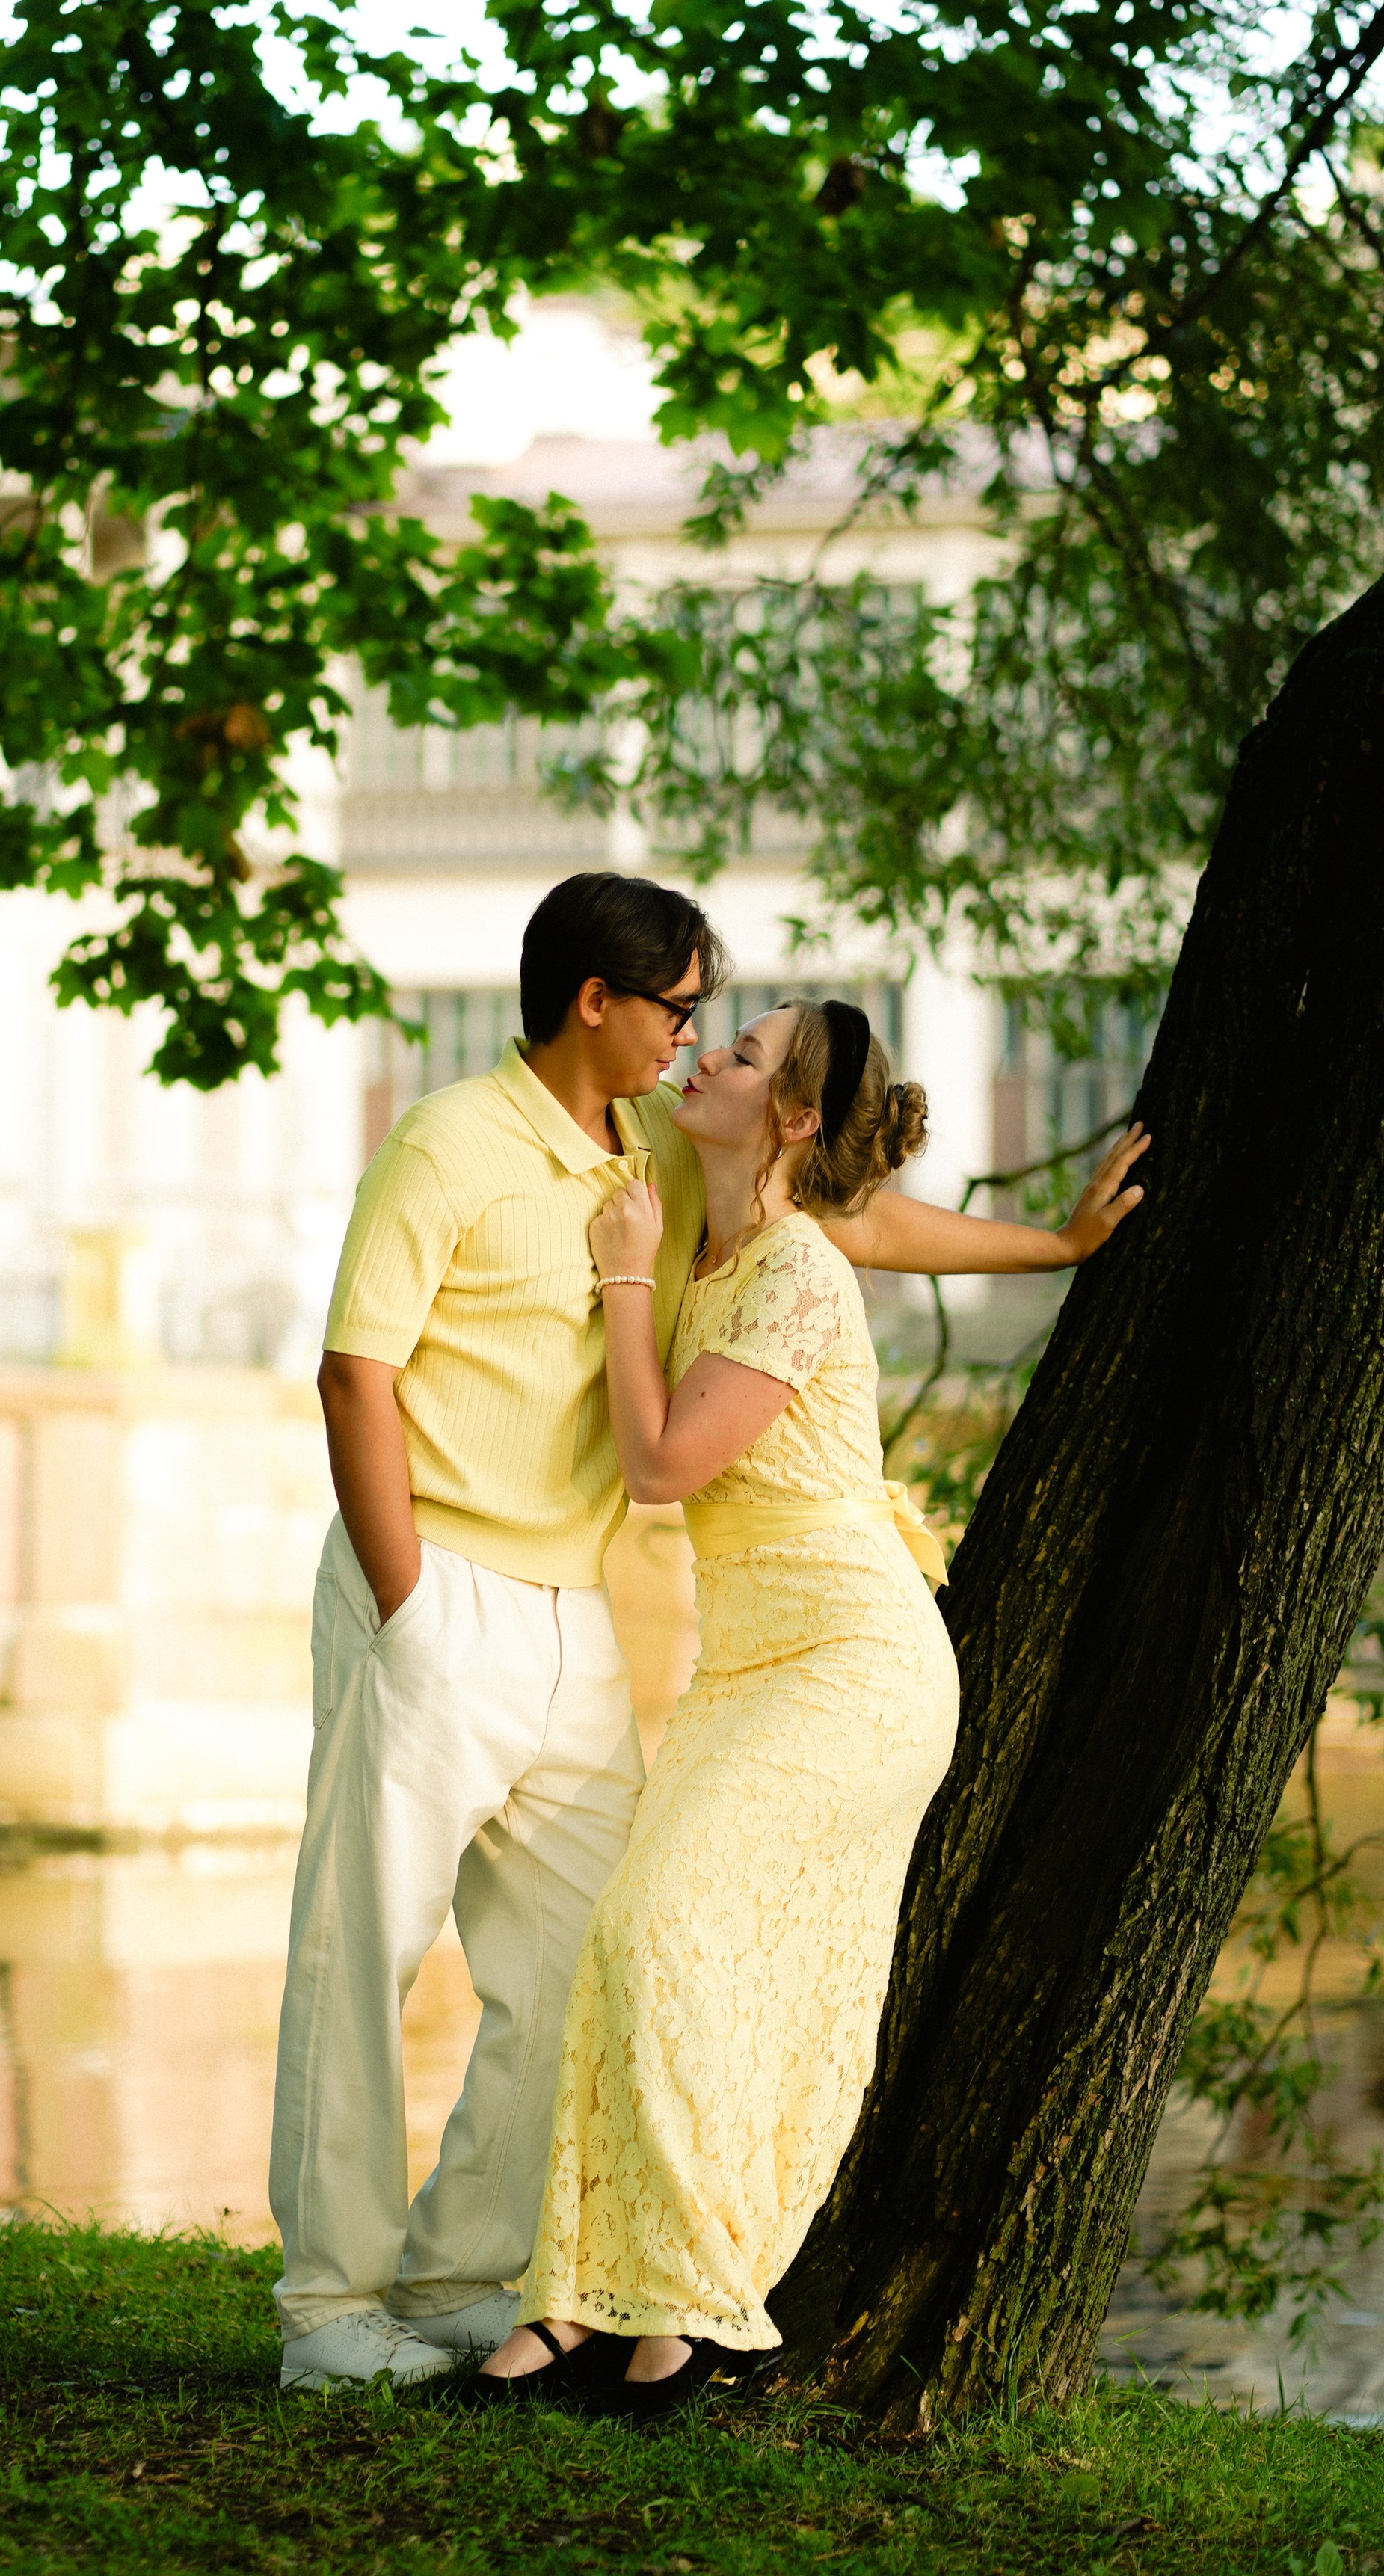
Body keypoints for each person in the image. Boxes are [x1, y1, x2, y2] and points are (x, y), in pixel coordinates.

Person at [271, 874, 1137, 2397]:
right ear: (594, 1004)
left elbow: (848, 1215)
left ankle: (476, 2276)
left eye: (711, 1029)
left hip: (586, 1615)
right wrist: (408, 1601)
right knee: (365, 1954)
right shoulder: (446, 1143)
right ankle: (330, 2312)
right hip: (440, 1590)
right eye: (678, 1010)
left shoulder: (661, 1145)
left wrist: (1051, 1253)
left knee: (572, 1960)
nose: (693, 1041)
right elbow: (355, 1376)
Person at [476, 996, 1148, 2417]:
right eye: (715, 1036)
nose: (702, 1055)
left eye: (741, 1053)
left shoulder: (787, 1272)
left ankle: (694, 2310)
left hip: (855, 1665)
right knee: (634, 1949)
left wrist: (627, 1284)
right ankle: (587, 2310)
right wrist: (1062, 1244)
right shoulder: (737, 1213)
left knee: (662, 1927)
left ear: (784, 1118)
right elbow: (898, 1226)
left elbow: (659, 1463)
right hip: (743, 1666)